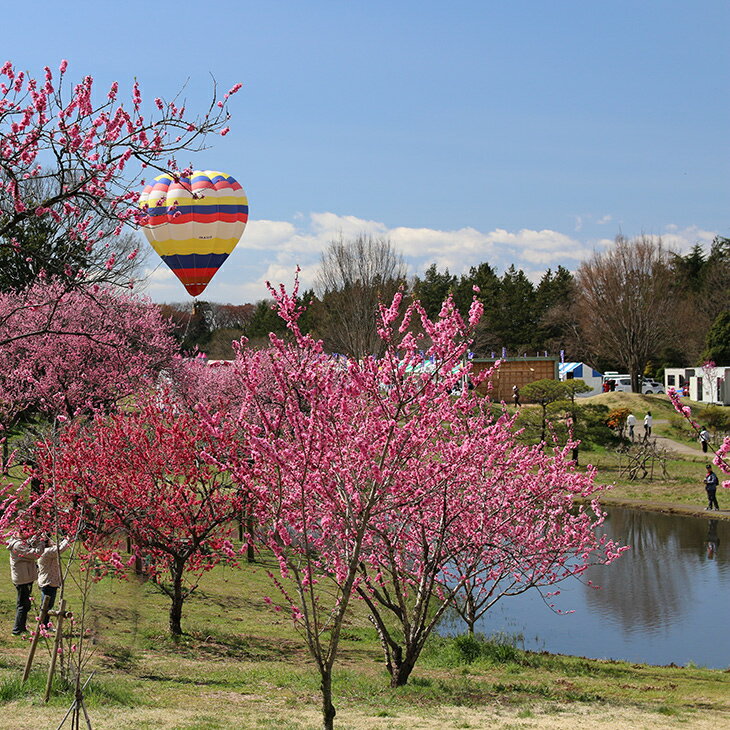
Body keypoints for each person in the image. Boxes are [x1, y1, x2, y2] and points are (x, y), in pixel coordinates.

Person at [7, 533, 43, 635]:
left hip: (24, 577)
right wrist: (41, 543)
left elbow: (30, 546)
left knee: (25, 604)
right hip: (22, 578)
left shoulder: (21, 543)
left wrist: (35, 539)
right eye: (25, 531)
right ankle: (17, 630)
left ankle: (21, 628)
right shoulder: (18, 545)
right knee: (23, 604)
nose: (28, 533)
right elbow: (34, 554)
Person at [37, 535, 70, 614]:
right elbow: (59, 549)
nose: (52, 541)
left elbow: (58, 547)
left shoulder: (46, 551)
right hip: (48, 582)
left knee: (47, 606)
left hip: (50, 582)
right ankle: (44, 624)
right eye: (50, 540)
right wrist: (68, 538)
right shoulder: (46, 552)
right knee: (46, 607)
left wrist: (65, 540)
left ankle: (44, 624)